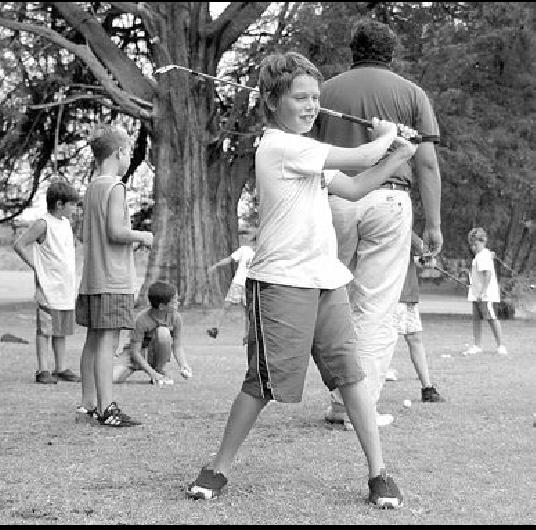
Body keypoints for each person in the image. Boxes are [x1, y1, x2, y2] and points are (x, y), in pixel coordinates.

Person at [185, 52, 417, 508]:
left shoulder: (307, 152)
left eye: (316, 97)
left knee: (352, 377)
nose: (311, 105)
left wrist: (401, 155)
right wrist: (385, 137)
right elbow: (362, 154)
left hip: (325, 279)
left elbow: (352, 186)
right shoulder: (279, 146)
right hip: (280, 281)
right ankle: (217, 469)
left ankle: (380, 475)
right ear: (272, 101)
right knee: (263, 383)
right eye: (300, 97)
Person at [313, 18, 443, 428]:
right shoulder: (412, 94)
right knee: (377, 307)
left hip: (334, 200)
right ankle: (359, 407)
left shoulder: (325, 91)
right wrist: (434, 224)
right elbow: (425, 163)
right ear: (392, 53)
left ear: (353, 49)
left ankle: (340, 400)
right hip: (388, 200)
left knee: (337, 302)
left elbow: (310, 153)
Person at [74, 124, 153, 427]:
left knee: (93, 342)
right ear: (118, 152)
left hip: (93, 278)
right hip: (113, 280)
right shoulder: (115, 187)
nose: (129, 157)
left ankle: (88, 404)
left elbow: (89, 235)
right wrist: (143, 236)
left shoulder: (92, 187)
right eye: (129, 152)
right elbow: (116, 232)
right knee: (108, 342)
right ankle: (107, 408)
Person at [13, 180, 82, 385]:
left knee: (60, 329)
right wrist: (37, 267)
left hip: (65, 288)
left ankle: (60, 368)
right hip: (48, 288)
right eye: (72, 204)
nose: (75, 209)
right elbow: (20, 245)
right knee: (45, 330)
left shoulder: (66, 224)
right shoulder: (43, 223)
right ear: (60, 204)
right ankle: (42, 369)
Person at [389, 232, 446, 402]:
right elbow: (427, 252)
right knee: (386, 340)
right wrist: (429, 258)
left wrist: (422, 261)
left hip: (408, 294)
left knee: (414, 337)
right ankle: (368, 393)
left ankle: (427, 389)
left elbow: (417, 259)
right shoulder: (402, 226)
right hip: (395, 294)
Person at [113, 281, 192, 385]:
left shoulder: (176, 318)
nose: (178, 303)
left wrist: (183, 365)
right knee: (113, 379)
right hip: (135, 355)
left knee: (163, 332)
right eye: (174, 302)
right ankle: (155, 374)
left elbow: (177, 346)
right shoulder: (141, 319)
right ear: (162, 306)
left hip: (153, 354)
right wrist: (152, 374)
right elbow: (135, 352)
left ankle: (159, 370)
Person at [461, 227, 508, 356]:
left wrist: (482, 292)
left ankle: (501, 345)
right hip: (476, 293)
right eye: (471, 245)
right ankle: (477, 345)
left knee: (491, 318)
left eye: (475, 244)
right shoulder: (480, 255)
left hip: (484, 295)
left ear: (483, 242)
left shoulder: (483, 256)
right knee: (476, 318)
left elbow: (487, 275)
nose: (473, 247)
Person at [205, 232, 255, 342]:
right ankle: (216, 329)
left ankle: (247, 335)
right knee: (227, 305)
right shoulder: (244, 250)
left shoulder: (261, 253)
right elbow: (230, 259)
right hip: (238, 282)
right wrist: (216, 265)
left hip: (250, 284)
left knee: (248, 311)